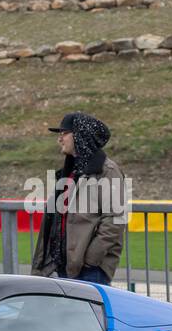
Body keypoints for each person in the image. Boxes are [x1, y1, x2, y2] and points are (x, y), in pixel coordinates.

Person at [31, 112, 127, 285]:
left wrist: (89, 260)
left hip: (89, 271)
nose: (59, 139)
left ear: (80, 135)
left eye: (64, 133)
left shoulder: (108, 171)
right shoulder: (69, 171)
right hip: (63, 267)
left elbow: (116, 220)